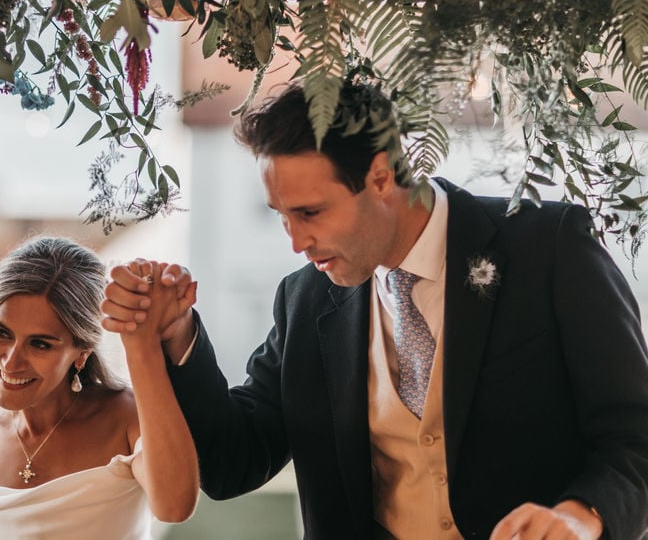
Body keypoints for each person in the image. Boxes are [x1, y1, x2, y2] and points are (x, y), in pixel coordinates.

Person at [102, 80, 648, 540]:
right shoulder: (304, 301)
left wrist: (580, 518)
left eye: (311, 212)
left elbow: (635, 436)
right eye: (281, 215)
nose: (296, 241)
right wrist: (177, 337)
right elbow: (231, 464)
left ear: (381, 177)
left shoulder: (548, 248)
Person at [0, 235, 198, 540]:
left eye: (39, 344)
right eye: (1, 333)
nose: (11, 362)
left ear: (81, 353)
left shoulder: (127, 420)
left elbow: (174, 507)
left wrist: (142, 344)